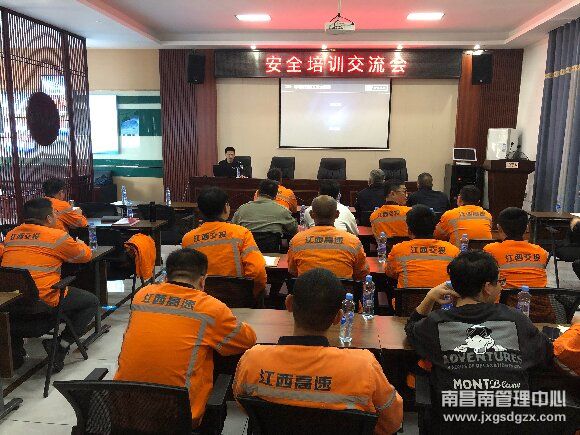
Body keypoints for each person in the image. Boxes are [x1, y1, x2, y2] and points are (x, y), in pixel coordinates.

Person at [233, 268, 403, 435]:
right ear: (338, 317)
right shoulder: (364, 367)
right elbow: (392, 423)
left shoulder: (252, 360)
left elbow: (246, 407)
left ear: (289, 303)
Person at [115, 248, 256, 429]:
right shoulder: (211, 308)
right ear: (203, 280)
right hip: (178, 417)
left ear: (166, 277)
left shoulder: (142, 295)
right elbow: (247, 340)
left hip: (126, 411)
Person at [405, 251, 552, 419]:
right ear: (487, 287)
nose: (501, 286)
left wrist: (429, 298)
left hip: (455, 423)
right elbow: (546, 352)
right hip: (511, 422)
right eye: (499, 281)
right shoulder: (516, 319)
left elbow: (411, 329)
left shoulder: (436, 322)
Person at [1, 198, 97, 371]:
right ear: (48, 218)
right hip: (43, 298)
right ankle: (61, 346)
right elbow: (84, 256)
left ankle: (15, 351)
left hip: (13, 299)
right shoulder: (57, 236)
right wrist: (82, 245)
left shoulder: (11, 235)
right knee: (91, 302)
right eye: (54, 213)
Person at [182, 186, 267, 298]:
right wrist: (252, 294)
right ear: (226, 208)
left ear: (200, 210)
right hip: (237, 299)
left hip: (202, 301)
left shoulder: (188, 239)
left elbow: (185, 277)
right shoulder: (241, 233)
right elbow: (257, 271)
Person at [483, 207, 552, 322]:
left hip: (507, 314)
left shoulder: (491, 250)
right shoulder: (541, 252)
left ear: (499, 228)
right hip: (543, 315)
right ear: (526, 228)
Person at [288, 195, 369, 280]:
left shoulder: (296, 241)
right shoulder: (353, 241)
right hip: (342, 289)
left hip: (306, 288)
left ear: (311, 215)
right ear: (337, 214)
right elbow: (362, 273)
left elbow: (293, 271)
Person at [386, 205, 460, 289]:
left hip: (409, 298)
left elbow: (390, 273)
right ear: (435, 229)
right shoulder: (453, 251)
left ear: (409, 231)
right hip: (442, 297)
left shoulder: (398, 250)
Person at [233, 179, 298, 237]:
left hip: (247, 246)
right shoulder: (282, 210)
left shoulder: (242, 209)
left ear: (258, 193)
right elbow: (294, 229)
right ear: (275, 196)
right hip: (272, 247)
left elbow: (233, 228)